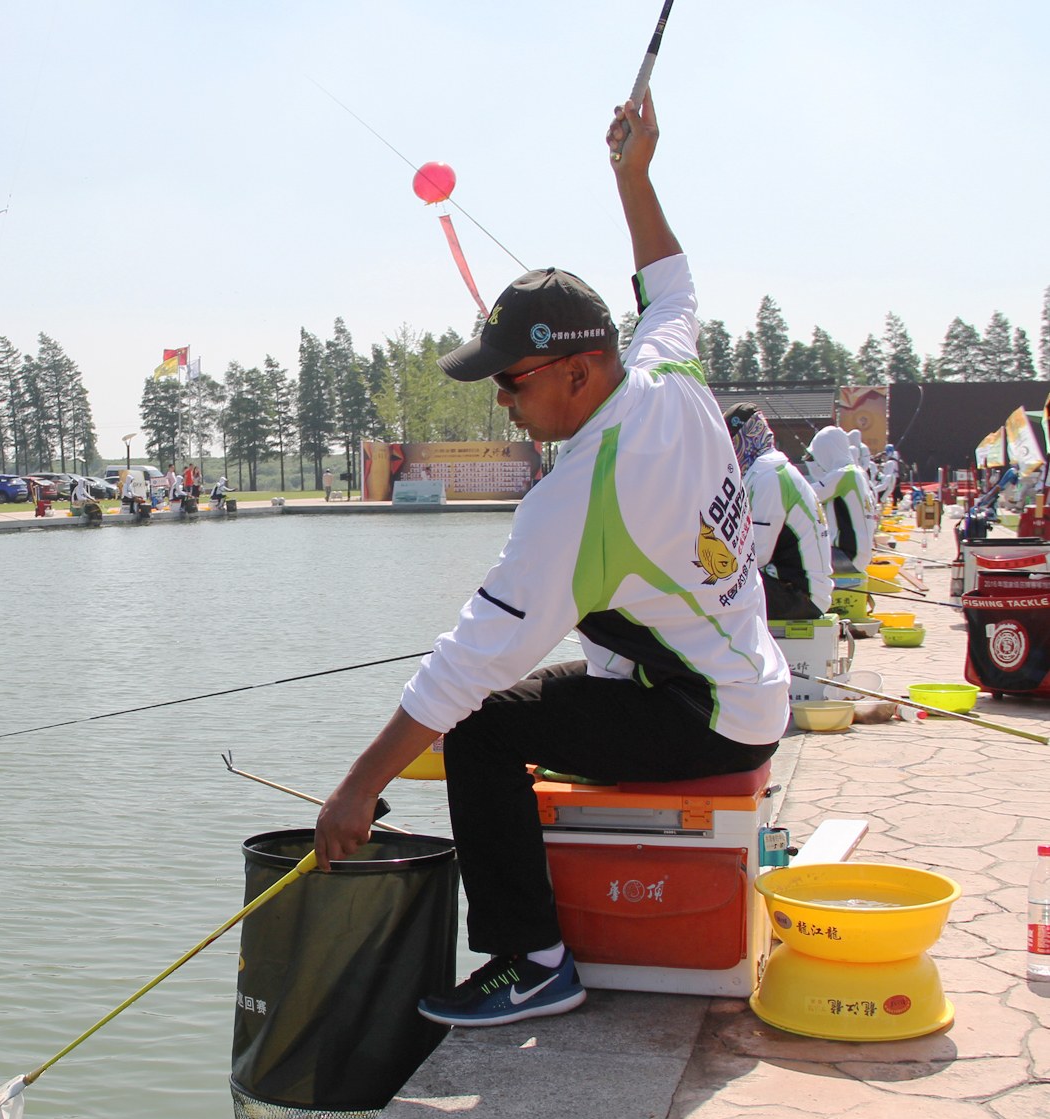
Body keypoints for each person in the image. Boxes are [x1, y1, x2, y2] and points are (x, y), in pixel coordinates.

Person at [313, 89, 789, 1028]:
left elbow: (462, 665)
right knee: (522, 682)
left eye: (511, 381)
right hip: (741, 678)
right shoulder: (668, 369)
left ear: (579, 369)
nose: (503, 402)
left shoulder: (578, 499)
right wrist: (635, 175)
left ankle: (533, 960)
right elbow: (672, 282)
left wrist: (356, 788)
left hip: (708, 716)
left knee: (483, 724)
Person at [724, 403, 834, 620]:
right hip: (796, 588)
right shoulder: (768, 469)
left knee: (706, 591)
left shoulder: (769, 476)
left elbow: (758, 555)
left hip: (800, 595)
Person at [804, 426, 875, 576]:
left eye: (817, 455)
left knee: (791, 558)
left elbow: (806, 495)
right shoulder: (856, 473)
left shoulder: (845, 475)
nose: (816, 461)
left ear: (827, 451)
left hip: (847, 555)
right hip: (858, 555)